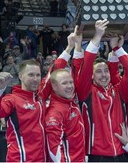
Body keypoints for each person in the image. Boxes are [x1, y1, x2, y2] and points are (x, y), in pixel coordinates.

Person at [75, 19, 128, 161]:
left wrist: (116, 48)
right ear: (91, 75)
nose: (103, 75)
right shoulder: (86, 92)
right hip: (97, 155)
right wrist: (97, 37)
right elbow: (87, 64)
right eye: (99, 72)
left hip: (121, 152)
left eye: (106, 71)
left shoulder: (119, 91)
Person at [0, 59, 50, 162]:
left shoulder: (40, 96)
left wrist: (69, 48)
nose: (35, 79)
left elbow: (53, 72)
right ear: (20, 76)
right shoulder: (12, 99)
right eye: (31, 75)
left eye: (38, 75)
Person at [45, 28, 86, 162]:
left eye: (70, 82)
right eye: (65, 83)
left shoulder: (70, 101)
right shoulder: (55, 112)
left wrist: (77, 46)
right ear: (54, 87)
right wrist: (69, 48)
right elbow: (54, 148)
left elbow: (77, 69)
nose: (70, 86)